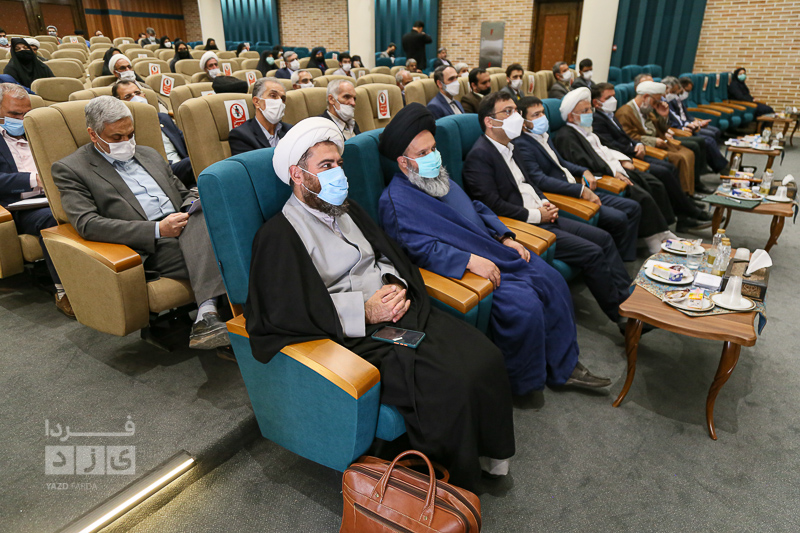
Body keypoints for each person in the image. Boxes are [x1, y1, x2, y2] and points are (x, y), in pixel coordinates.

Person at [246, 116, 515, 489]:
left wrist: (395, 284)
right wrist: (366, 311)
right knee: (449, 382)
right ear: (297, 174)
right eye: (326, 165)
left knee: (484, 355)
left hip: (399, 311)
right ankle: (453, 483)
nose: (338, 173)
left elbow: (385, 256)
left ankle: (489, 454)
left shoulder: (348, 209)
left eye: (339, 164)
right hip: (354, 336)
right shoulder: (279, 235)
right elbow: (286, 311)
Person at [379, 103, 611, 398]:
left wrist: (505, 236)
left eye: (433, 149)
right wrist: (469, 261)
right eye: (423, 153)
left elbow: (476, 207)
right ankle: (526, 382)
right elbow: (416, 250)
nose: (433, 156)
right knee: (524, 307)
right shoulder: (395, 201)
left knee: (553, 280)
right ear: (404, 163)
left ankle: (564, 365)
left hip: (495, 248)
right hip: (469, 270)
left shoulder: (439, 178)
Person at [51, 96, 230, 349]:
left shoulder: (149, 154)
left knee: (224, 228)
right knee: (229, 252)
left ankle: (208, 316)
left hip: (186, 223)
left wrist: (190, 209)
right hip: (150, 242)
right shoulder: (71, 169)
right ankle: (224, 317)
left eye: (130, 134)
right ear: (93, 135)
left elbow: (183, 193)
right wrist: (158, 229)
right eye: (117, 137)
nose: (127, 142)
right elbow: (87, 223)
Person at [462, 92, 634, 329]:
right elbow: (492, 206)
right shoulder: (479, 156)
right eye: (508, 112)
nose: (516, 116)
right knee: (593, 252)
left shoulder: (512, 146)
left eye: (516, 111)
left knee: (604, 238)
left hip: (543, 214)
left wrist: (544, 201)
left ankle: (629, 297)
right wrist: (536, 215)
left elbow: (531, 183)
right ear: (489, 122)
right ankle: (623, 316)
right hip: (524, 226)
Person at [552, 90, 679, 255]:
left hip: (615, 169)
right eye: (585, 111)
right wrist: (614, 172)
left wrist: (622, 160)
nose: (590, 113)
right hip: (603, 177)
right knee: (642, 195)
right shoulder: (566, 135)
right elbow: (585, 163)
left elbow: (606, 149)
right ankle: (652, 238)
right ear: (571, 117)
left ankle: (662, 232)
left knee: (654, 184)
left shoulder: (586, 129)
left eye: (590, 109)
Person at [591, 83, 712, 231]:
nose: (613, 100)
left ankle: (685, 212)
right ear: (596, 102)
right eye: (608, 97)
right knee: (665, 172)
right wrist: (634, 147)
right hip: (626, 157)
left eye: (614, 96)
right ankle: (687, 212)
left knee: (671, 168)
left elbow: (629, 136)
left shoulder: (610, 115)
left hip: (636, 150)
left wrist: (637, 143)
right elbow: (611, 144)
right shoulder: (600, 118)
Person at [0, 83, 72, 316]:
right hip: (19, 208)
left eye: (26, 114)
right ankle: (65, 291)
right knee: (53, 219)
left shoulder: (41, 131)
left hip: (56, 196)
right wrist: (34, 179)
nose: (22, 120)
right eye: (14, 114)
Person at [615, 80, 698, 196]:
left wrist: (663, 116)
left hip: (660, 143)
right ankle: (684, 195)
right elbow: (629, 137)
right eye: (655, 101)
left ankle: (688, 193)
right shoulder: (625, 112)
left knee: (689, 153)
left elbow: (662, 129)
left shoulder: (647, 109)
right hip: (648, 148)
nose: (656, 105)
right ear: (646, 97)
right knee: (679, 158)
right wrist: (653, 141)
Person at [111, 80, 194, 187]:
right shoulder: (123, 129)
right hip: (158, 171)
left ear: (144, 95)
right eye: (128, 96)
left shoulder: (163, 118)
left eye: (137, 93)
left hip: (183, 167)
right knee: (192, 163)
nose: (136, 98)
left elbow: (187, 143)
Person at [662, 76, 728, 174]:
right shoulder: (664, 102)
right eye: (673, 92)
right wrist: (685, 127)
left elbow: (682, 117)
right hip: (677, 132)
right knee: (707, 141)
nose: (674, 94)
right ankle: (722, 168)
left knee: (710, 136)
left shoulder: (671, 100)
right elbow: (672, 122)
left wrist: (695, 123)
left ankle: (719, 166)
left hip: (683, 128)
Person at [229, 77, 292, 155]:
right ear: (257, 102)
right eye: (273, 95)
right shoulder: (241, 135)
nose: (279, 101)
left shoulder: (291, 131)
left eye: (282, 98)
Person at [677, 77, 722, 142]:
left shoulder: (680, 101)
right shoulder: (672, 101)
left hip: (690, 123)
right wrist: (694, 123)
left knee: (716, 131)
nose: (687, 94)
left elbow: (687, 116)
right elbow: (678, 120)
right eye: (687, 91)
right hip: (684, 126)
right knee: (711, 135)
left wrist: (699, 122)